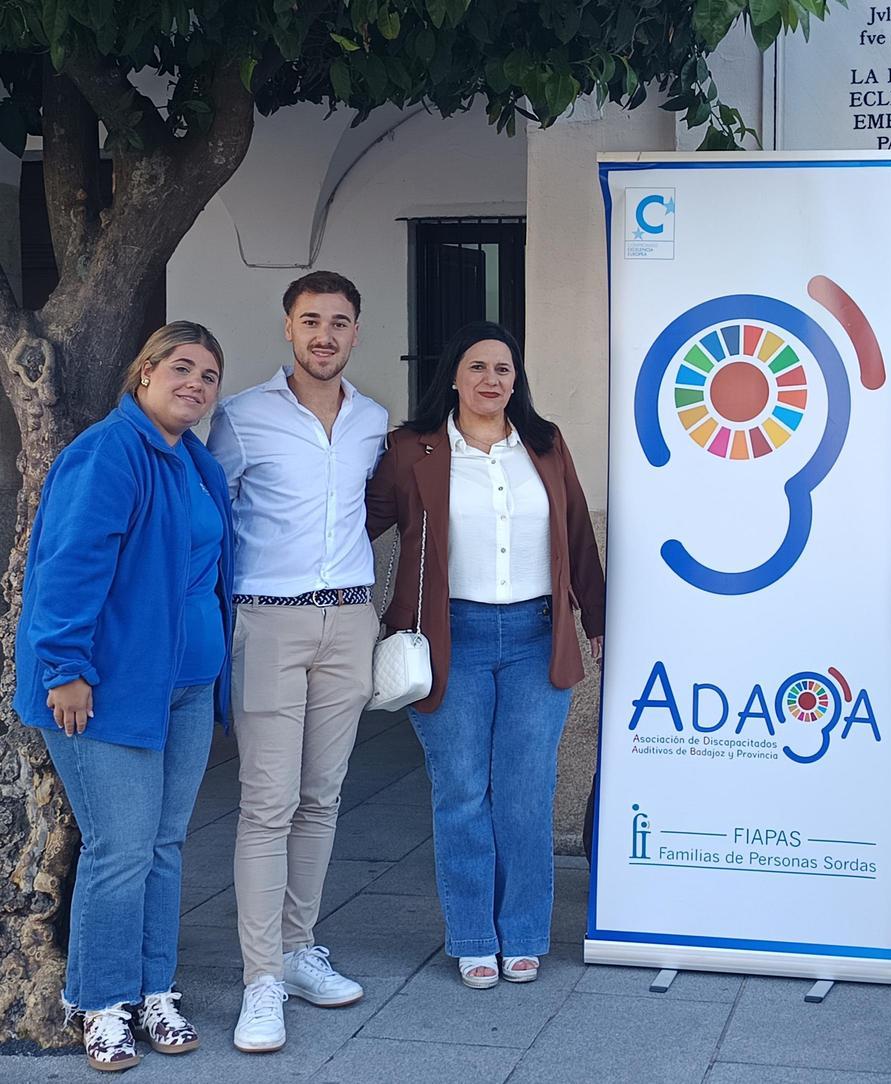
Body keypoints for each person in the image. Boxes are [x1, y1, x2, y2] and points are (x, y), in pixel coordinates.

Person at [15, 323, 233, 1072]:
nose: (196, 385)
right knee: (122, 849)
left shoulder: (193, 463)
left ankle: (152, 989)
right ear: (144, 373)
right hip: (105, 691)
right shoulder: (111, 452)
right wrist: (65, 668)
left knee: (165, 847)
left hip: (186, 688)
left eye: (209, 375)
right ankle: (101, 1003)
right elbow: (69, 564)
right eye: (181, 367)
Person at [365, 321, 604, 989]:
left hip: (536, 635)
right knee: (463, 791)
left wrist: (599, 617)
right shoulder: (414, 450)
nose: (492, 379)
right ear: (453, 375)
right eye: (478, 367)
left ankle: (523, 933)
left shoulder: (546, 446)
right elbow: (357, 524)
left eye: (504, 368)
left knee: (526, 795)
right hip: (451, 640)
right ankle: (473, 935)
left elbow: (579, 532)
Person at [207, 271, 387, 1053]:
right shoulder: (241, 418)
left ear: (355, 333)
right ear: (288, 328)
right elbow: (210, 521)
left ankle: (296, 947)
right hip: (268, 624)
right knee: (267, 803)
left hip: (350, 620)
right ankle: (260, 983)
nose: (325, 335)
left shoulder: (374, 421)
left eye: (339, 322)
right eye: (310, 320)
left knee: (322, 797)